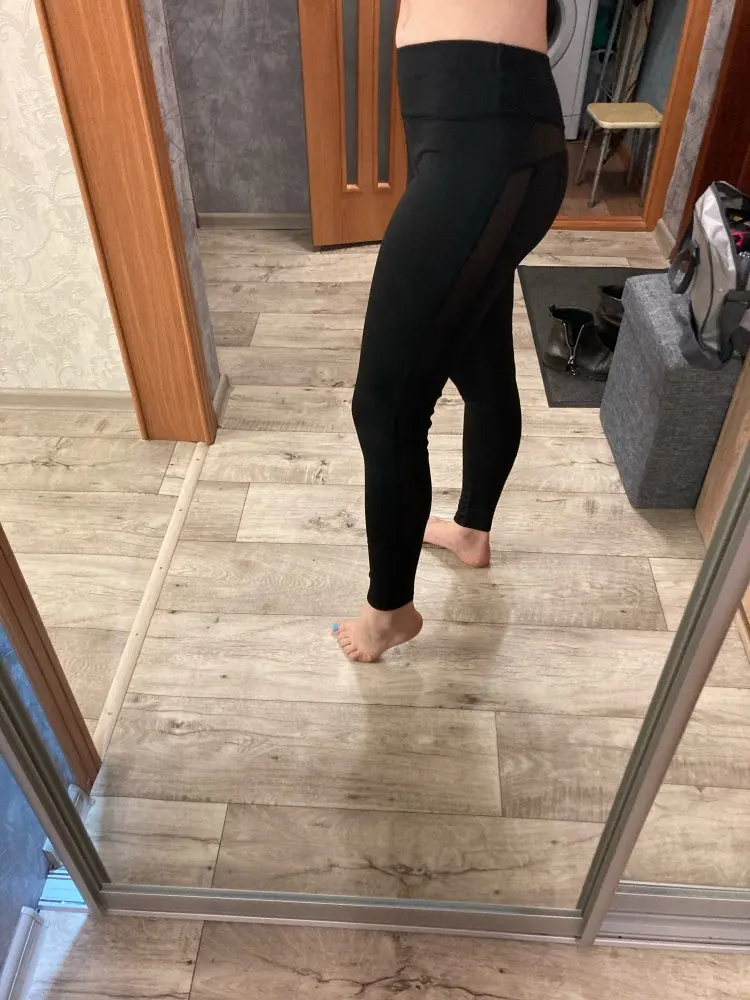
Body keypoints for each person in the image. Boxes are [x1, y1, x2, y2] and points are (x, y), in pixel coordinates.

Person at [333, 0, 566, 662]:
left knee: (386, 407)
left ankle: (389, 611)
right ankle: (470, 533)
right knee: (481, 363)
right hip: (471, 131)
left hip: (483, 140)